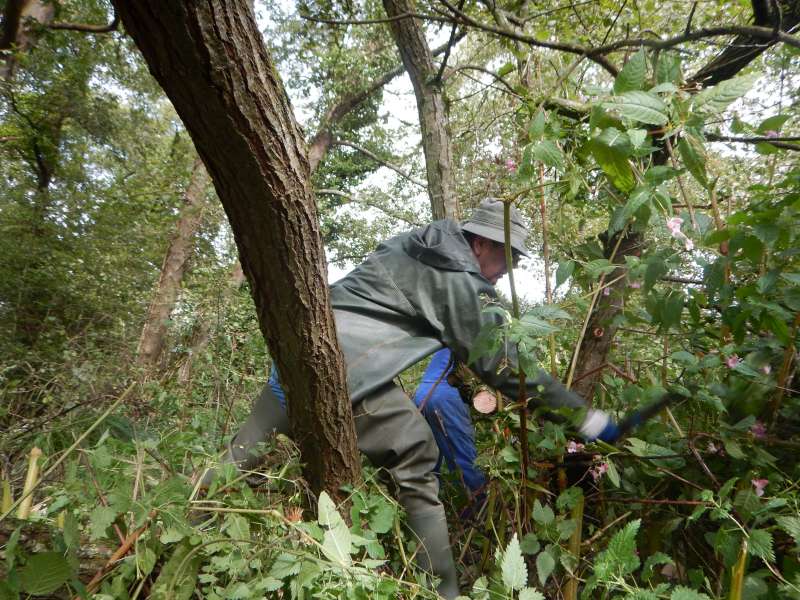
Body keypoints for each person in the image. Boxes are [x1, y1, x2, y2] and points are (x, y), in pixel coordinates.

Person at [204, 199, 619, 599]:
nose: (504, 274)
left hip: (301, 357)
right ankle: (443, 590)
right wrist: (585, 419)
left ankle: (180, 520)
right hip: (340, 371)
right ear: (482, 244)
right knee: (416, 450)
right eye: (506, 261)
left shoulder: (419, 244)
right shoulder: (459, 279)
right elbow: (503, 362)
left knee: (236, 464)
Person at [413, 348, 487, 497]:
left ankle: (430, 509)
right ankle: (476, 507)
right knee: (463, 456)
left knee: (428, 460)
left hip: (422, 394)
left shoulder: (452, 334)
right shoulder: (481, 335)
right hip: (444, 396)